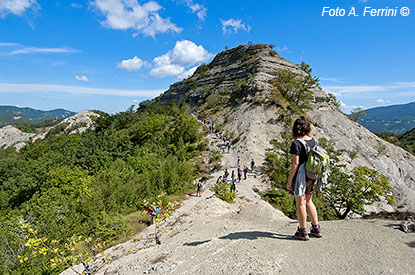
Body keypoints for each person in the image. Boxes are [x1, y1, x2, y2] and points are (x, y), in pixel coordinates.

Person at [287, 116, 322, 241]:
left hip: (301, 177)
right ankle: (315, 227)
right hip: (313, 176)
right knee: (309, 201)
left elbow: (295, 164)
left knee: (300, 202)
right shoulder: (314, 141)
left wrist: (290, 180)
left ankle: (302, 230)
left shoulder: (296, 143)